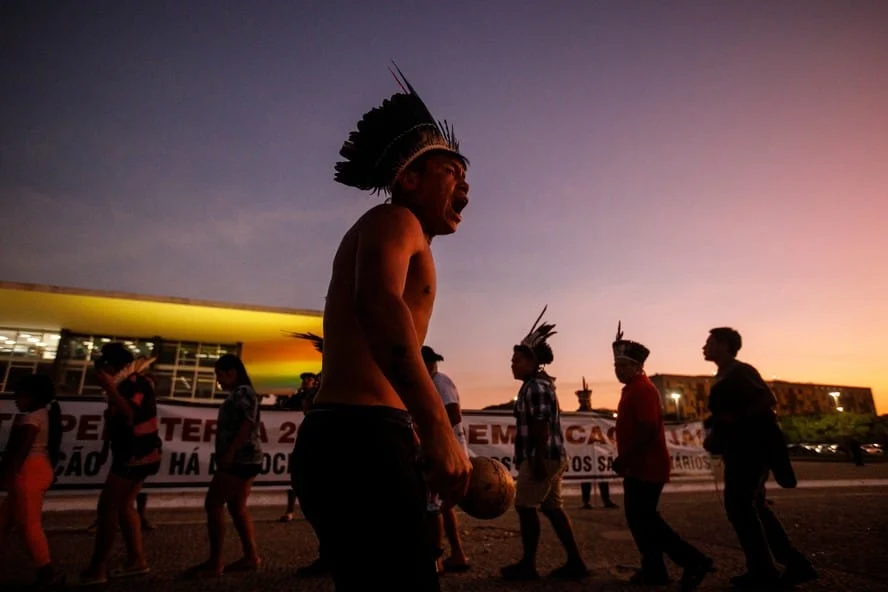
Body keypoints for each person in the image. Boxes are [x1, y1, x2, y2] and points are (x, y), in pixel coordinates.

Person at [291, 65, 472, 592]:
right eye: (451, 171)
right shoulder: (397, 220)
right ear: (408, 178)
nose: (464, 185)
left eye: (467, 179)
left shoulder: (405, 234)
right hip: (361, 438)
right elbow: (376, 303)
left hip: (353, 435)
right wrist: (438, 427)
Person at [703, 327, 817, 588]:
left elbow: (767, 399)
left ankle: (764, 571)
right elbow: (728, 411)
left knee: (739, 507)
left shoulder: (741, 371)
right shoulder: (723, 375)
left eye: (709, 342)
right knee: (754, 507)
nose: (704, 347)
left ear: (723, 344)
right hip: (739, 450)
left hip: (750, 450)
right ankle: (794, 564)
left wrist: (734, 421)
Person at [610, 322, 712, 589]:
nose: (619, 371)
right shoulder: (632, 389)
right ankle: (654, 569)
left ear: (637, 367)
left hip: (646, 466)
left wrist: (626, 458)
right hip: (638, 467)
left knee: (647, 520)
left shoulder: (642, 389)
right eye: (616, 367)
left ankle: (693, 561)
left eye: (624, 366)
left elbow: (646, 429)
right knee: (640, 520)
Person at [501, 307, 588, 581]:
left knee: (525, 507)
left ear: (530, 361)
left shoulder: (535, 387)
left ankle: (528, 565)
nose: (512, 363)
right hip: (551, 455)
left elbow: (540, 425)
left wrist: (536, 458)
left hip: (543, 457)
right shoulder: (536, 385)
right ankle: (576, 563)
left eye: (516, 359)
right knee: (552, 507)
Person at [80, 343, 162, 585]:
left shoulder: (135, 383)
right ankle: (136, 560)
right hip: (133, 452)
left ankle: (98, 569)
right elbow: (115, 420)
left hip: (137, 453)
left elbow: (130, 414)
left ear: (113, 366)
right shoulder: (122, 384)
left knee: (108, 509)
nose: (99, 370)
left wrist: (110, 389)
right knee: (125, 506)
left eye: (103, 365)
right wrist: (105, 449)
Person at [188, 354, 263, 576]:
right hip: (247, 458)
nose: (218, 380)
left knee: (213, 503)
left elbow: (247, 423)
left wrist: (230, 452)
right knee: (237, 507)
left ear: (232, 372)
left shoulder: (242, 393)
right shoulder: (242, 393)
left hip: (240, 459)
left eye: (219, 375)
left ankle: (215, 561)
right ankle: (250, 556)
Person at [0, 373, 65, 589]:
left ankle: (47, 571)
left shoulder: (31, 419)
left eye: (20, 394)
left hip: (27, 472)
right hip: (35, 469)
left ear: (33, 396)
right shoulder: (41, 414)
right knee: (5, 520)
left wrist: (8, 475)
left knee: (29, 525)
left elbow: (20, 451)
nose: (15, 398)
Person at [421, 345, 470, 573]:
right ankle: (457, 554)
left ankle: (434, 560)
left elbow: (453, 413)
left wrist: (432, 435)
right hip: (444, 448)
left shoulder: (439, 382)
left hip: (443, 450)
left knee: (432, 506)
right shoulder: (431, 382)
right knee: (443, 505)